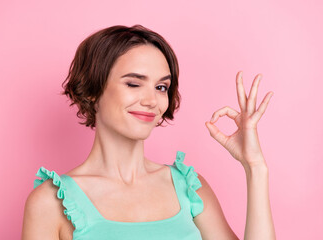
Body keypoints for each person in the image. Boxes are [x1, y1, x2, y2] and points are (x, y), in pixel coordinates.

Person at [22, 24, 276, 240]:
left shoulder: (189, 187)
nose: (151, 100)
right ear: (91, 90)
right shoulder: (50, 203)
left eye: (161, 87)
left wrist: (255, 167)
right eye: (133, 83)